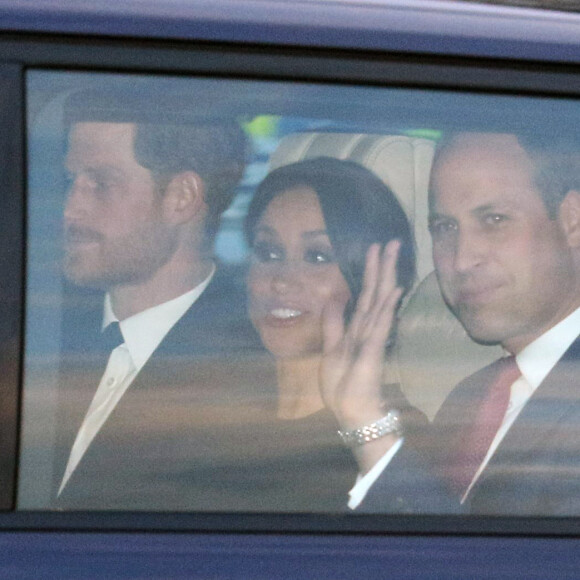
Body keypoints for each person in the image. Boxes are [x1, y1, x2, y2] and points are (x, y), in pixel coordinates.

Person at [324, 132, 580, 516]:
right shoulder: (474, 394)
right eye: (444, 227)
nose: (461, 260)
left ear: (572, 220)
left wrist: (368, 428)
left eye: (494, 220)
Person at [52, 89, 265, 510]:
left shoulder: (249, 374)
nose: (68, 209)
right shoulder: (39, 330)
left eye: (101, 183)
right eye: (69, 181)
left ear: (181, 197)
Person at [244, 157, 422, 510]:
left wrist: (362, 420)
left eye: (317, 257)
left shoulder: (398, 444)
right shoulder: (202, 407)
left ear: (369, 284)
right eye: (269, 252)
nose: (281, 279)